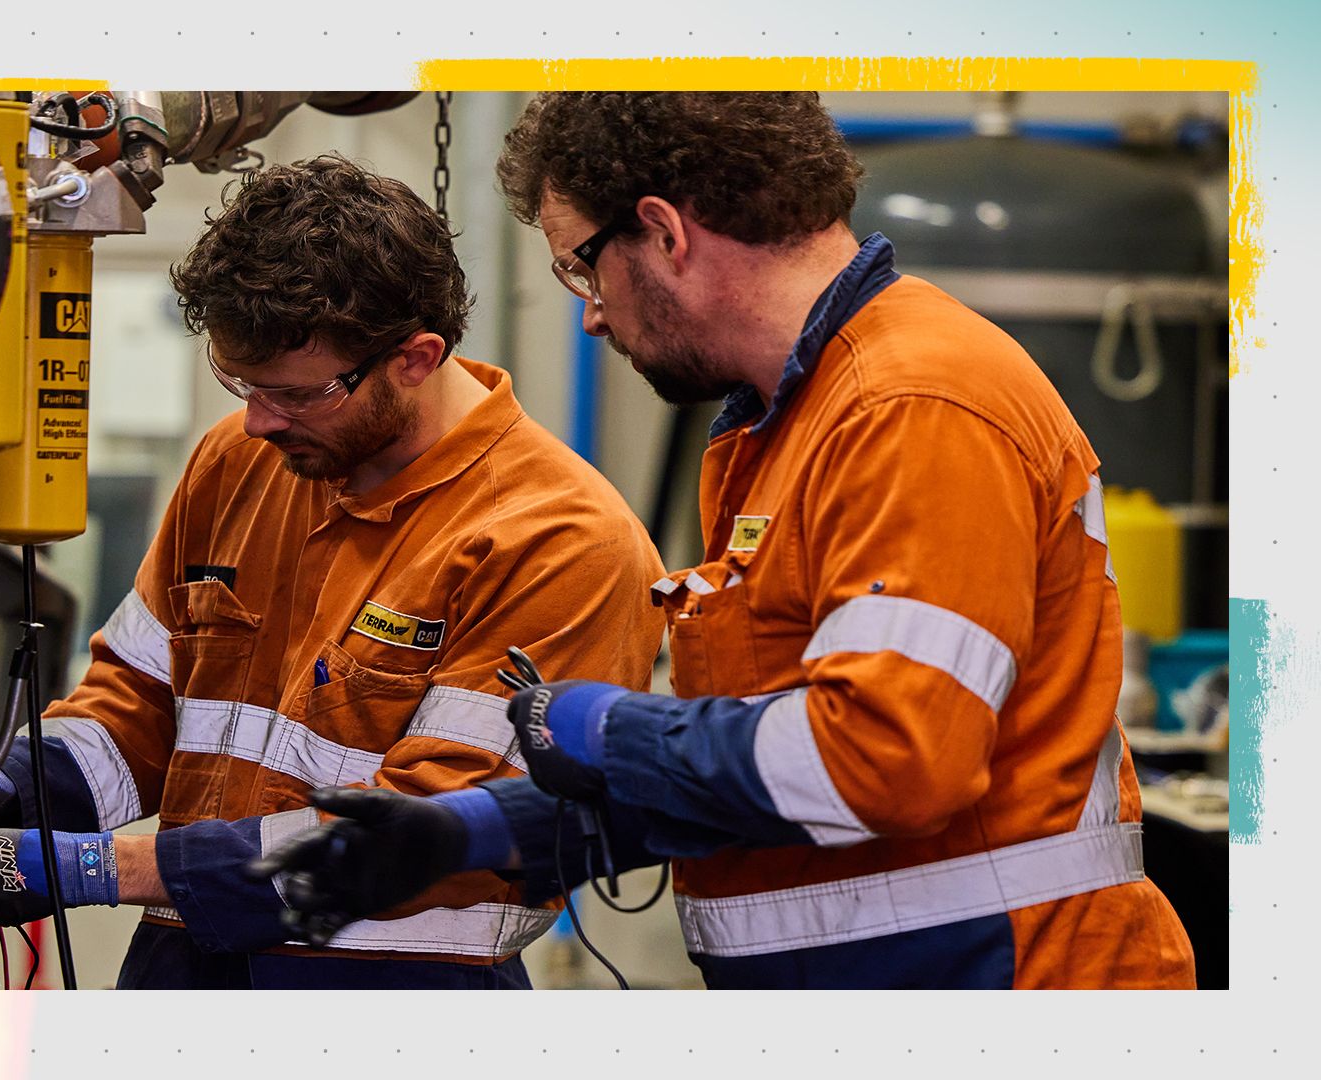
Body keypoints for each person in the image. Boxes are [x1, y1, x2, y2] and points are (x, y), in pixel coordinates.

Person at [253, 93, 1198, 990]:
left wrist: (595, 725)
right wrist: (477, 833)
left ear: (664, 232)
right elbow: (762, 770)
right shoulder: (782, 425)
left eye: (583, 265)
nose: (590, 310)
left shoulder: (914, 404)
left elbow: (886, 760)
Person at [0, 154, 668, 989]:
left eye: (293, 394)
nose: (256, 419)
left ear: (417, 358)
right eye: (238, 380)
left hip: (389, 990)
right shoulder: (239, 463)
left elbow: (428, 827)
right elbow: (135, 707)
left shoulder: (560, 541)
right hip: (184, 967)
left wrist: (100, 869)